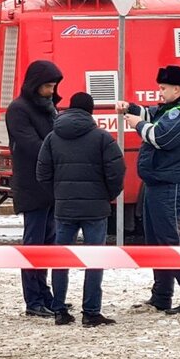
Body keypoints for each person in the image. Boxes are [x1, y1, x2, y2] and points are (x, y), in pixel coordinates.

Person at [117, 64, 180, 316]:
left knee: (175, 241)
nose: (160, 92)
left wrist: (136, 124)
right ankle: (161, 297)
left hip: (172, 187)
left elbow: (160, 136)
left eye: (163, 88)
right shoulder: (170, 109)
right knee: (157, 243)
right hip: (157, 185)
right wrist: (130, 108)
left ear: (177, 88)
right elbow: (150, 114)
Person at [36, 92, 125, 327]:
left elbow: (42, 173)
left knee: (61, 259)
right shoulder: (103, 138)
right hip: (96, 210)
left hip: (64, 209)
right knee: (94, 259)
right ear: (91, 111)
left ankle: (59, 310)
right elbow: (117, 171)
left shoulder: (53, 138)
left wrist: (58, 196)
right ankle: (91, 312)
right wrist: (107, 196)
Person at [6, 59, 63, 318]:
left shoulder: (49, 107)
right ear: (35, 84)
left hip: (50, 186)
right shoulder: (18, 110)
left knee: (48, 244)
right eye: (48, 86)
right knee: (33, 243)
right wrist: (60, 155)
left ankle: (45, 294)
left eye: (54, 86)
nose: (51, 91)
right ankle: (33, 299)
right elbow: (31, 145)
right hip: (31, 186)